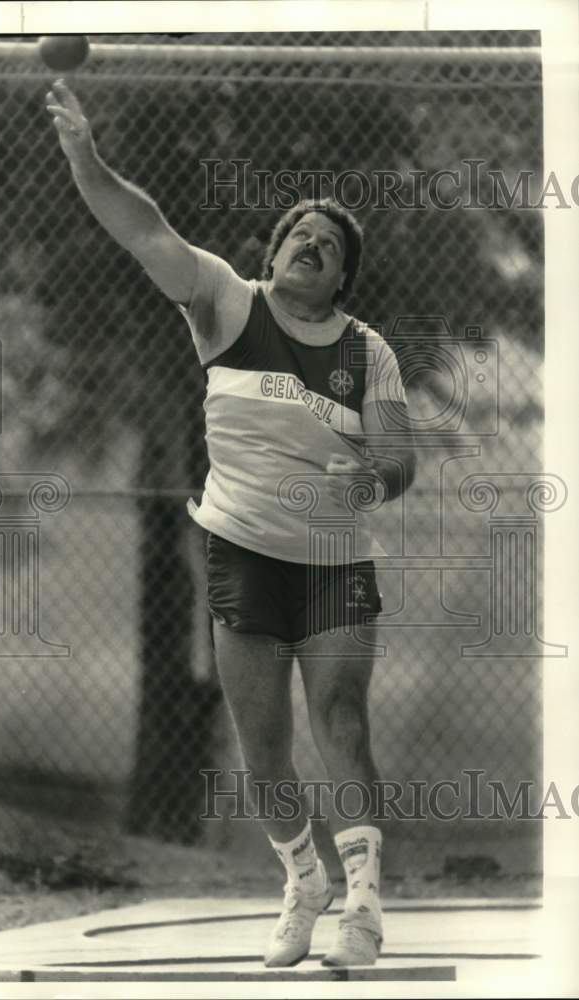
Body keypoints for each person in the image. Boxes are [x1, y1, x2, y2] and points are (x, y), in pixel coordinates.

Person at [46, 79, 416, 968]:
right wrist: (84, 157)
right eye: (299, 235)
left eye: (328, 246)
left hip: (332, 555)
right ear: (276, 250)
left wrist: (368, 472)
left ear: (341, 277)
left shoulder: (369, 353)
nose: (310, 247)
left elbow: (400, 462)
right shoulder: (224, 301)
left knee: (342, 720)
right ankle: (303, 883)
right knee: (264, 752)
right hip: (242, 551)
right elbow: (143, 229)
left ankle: (361, 907)